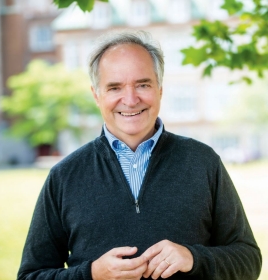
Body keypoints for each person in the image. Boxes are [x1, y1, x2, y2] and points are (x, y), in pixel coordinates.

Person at [17, 30, 262, 280]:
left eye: (142, 84)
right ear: (96, 95)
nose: (131, 99)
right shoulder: (64, 176)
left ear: (160, 90)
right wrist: (91, 274)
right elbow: (31, 275)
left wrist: (194, 258)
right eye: (114, 87)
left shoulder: (203, 162)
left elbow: (248, 260)